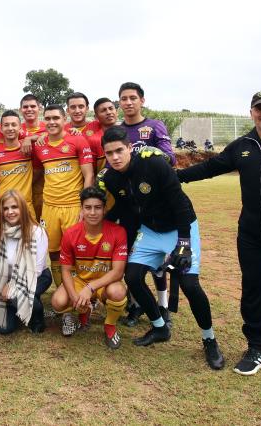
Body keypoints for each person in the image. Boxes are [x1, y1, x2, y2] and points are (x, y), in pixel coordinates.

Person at [178, 89, 261, 381]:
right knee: (253, 290)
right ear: (252, 112)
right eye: (260, 108)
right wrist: (173, 176)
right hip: (252, 235)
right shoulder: (243, 145)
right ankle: (256, 348)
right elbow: (210, 167)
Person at [101, 127, 224, 370]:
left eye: (119, 150)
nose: (115, 157)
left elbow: (180, 203)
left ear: (130, 148)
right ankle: (159, 328)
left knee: (190, 284)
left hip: (180, 227)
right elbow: (126, 209)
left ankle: (209, 340)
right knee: (132, 276)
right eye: (109, 153)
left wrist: (184, 244)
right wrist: (100, 222)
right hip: (150, 231)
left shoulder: (154, 164)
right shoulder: (112, 178)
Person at [117, 82, 176, 327]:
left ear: (142, 100)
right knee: (131, 257)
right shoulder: (118, 130)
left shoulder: (154, 126)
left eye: (133, 97)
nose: (128, 102)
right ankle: (135, 305)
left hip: (153, 206)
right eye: (124, 98)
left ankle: (163, 308)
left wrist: (154, 152)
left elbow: (170, 157)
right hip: (128, 206)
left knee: (158, 262)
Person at [51, 187, 128, 349]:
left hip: (104, 282)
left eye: (97, 207)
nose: (92, 212)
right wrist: (75, 297)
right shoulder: (71, 234)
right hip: (80, 280)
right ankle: (83, 312)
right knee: (58, 302)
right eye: (88, 207)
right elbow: (65, 270)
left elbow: (118, 272)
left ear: (104, 209)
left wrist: (90, 288)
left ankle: (110, 326)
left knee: (118, 292)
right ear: (82, 209)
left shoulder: (118, 232)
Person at [33, 104, 94, 287]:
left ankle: (82, 290)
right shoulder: (40, 146)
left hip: (73, 206)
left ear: (64, 120)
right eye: (48, 118)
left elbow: (89, 175)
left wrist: (85, 206)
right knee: (53, 252)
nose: (51, 122)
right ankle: (62, 289)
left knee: (77, 251)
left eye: (56, 118)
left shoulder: (78, 140)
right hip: (49, 207)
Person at [0, 190, 52, 334]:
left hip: (36, 277)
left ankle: (37, 316)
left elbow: (36, 269)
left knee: (15, 294)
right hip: (4, 278)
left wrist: (12, 286)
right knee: (3, 328)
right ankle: (16, 308)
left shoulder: (37, 232)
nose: (10, 212)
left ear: (22, 208)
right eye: (5, 208)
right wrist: (0, 285)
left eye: (14, 207)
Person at [0, 110, 36, 220]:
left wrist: (29, 138)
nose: (10, 128)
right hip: (4, 206)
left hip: (25, 205)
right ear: (1, 129)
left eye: (14, 125)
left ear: (20, 128)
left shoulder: (29, 147)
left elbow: (46, 137)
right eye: (6, 125)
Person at [19, 94, 47, 220]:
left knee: (42, 222)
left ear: (39, 108)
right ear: (20, 110)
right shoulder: (15, 128)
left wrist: (30, 138)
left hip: (43, 183)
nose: (29, 109)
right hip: (21, 181)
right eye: (25, 107)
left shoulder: (49, 127)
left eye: (32, 106)